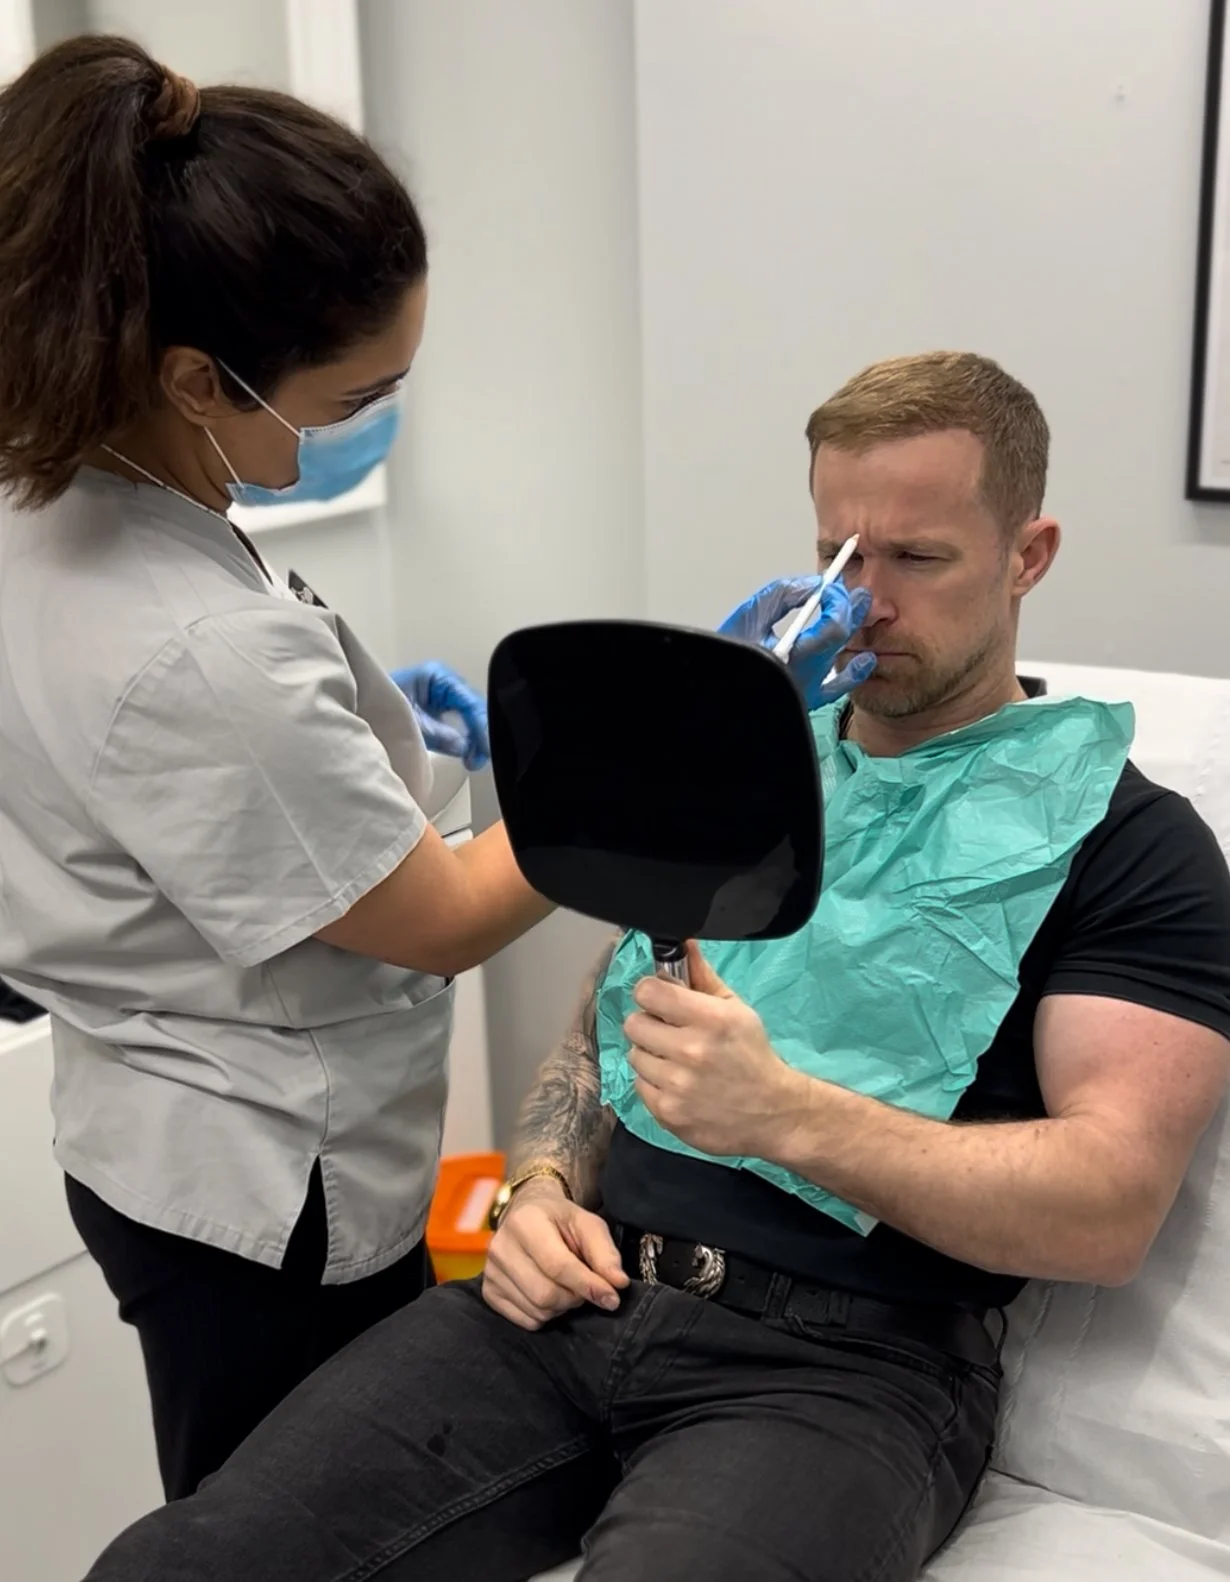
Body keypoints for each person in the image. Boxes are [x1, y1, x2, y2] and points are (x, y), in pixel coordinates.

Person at [0, 35, 867, 1504]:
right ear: (198, 377)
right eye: (349, 400)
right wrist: (670, 749)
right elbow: (446, 914)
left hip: (153, 1121)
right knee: (290, 1526)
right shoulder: (195, 653)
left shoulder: (60, 492)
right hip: (261, 1183)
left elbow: (181, 762)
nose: (371, 424)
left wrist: (367, 735)